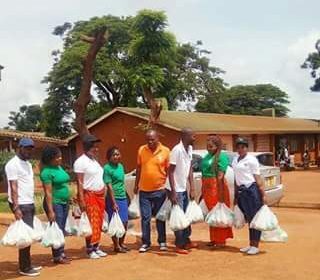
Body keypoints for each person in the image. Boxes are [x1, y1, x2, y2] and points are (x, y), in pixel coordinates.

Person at [5, 138, 42, 277]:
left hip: (28, 202)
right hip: (20, 203)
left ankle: (27, 264)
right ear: (19, 147)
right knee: (24, 236)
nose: (29, 151)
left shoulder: (27, 163)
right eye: (26, 148)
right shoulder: (12, 164)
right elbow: (13, 187)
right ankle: (24, 267)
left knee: (27, 235)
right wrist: (16, 207)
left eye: (31, 148)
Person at [134, 129, 170, 253]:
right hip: (144, 191)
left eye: (152, 139)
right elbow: (138, 168)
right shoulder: (141, 150)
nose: (150, 142)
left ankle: (162, 241)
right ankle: (146, 243)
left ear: (157, 138)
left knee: (160, 218)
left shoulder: (165, 151)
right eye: (148, 140)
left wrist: (170, 188)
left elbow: (169, 171)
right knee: (146, 218)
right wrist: (136, 184)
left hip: (160, 190)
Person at [73, 134, 107, 259]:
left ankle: (96, 246)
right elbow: (80, 182)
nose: (96, 149)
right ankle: (90, 249)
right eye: (94, 147)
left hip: (99, 195)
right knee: (91, 222)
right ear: (87, 147)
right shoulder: (80, 162)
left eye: (97, 147)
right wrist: (81, 199)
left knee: (98, 222)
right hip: (89, 196)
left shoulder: (94, 161)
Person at [232, 138, 265, 255]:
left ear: (247, 148)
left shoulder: (251, 160)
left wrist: (262, 193)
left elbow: (257, 177)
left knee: (254, 218)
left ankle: (256, 245)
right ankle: (251, 244)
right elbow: (236, 179)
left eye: (243, 147)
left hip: (251, 190)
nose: (240, 149)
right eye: (238, 147)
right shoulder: (235, 160)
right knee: (249, 218)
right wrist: (236, 194)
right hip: (241, 191)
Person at [168, 128, 198, 254]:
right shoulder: (177, 150)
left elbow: (189, 168)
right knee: (178, 216)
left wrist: (192, 187)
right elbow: (170, 172)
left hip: (183, 188)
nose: (194, 138)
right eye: (193, 136)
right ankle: (179, 244)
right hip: (175, 189)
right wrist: (173, 192)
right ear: (185, 136)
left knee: (186, 215)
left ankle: (186, 240)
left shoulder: (189, 149)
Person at [40, 145, 71, 264]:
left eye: (60, 156)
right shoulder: (46, 172)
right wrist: (50, 210)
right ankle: (57, 255)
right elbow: (48, 192)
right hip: (54, 203)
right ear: (49, 159)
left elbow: (63, 184)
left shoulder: (59, 168)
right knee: (56, 228)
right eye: (57, 157)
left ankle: (61, 252)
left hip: (64, 202)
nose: (59, 159)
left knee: (61, 228)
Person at [201, 135, 233, 248]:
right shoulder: (207, 156)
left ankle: (221, 240)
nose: (208, 149)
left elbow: (220, 176)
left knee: (219, 213)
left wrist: (220, 195)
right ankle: (214, 239)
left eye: (211, 146)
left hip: (217, 188)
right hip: (207, 188)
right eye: (207, 146)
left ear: (217, 146)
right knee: (212, 215)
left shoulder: (221, 157)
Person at [104, 146, 129, 253]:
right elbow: (109, 186)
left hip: (123, 197)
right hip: (112, 198)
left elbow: (122, 183)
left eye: (118, 154)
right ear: (109, 157)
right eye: (114, 155)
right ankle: (116, 245)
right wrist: (113, 203)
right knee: (114, 221)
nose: (116, 156)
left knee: (125, 222)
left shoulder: (120, 167)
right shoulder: (107, 168)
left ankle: (122, 243)